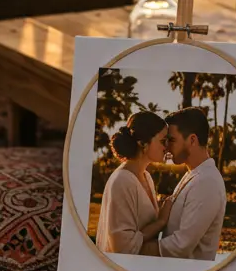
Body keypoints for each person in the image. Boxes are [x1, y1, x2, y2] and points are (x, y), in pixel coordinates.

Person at [96, 111, 172, 255]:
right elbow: (122, 247)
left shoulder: (146, 176)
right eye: (163, 141)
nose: (166, 147)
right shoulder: (122, 181)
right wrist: (160, 221)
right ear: (143, 143)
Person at [158, 106, 227, 261]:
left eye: (172, 140)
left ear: (192, 140)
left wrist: (138, 249)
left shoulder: (207, 182)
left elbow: (181, 245)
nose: (166, 147)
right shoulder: (194, 175)